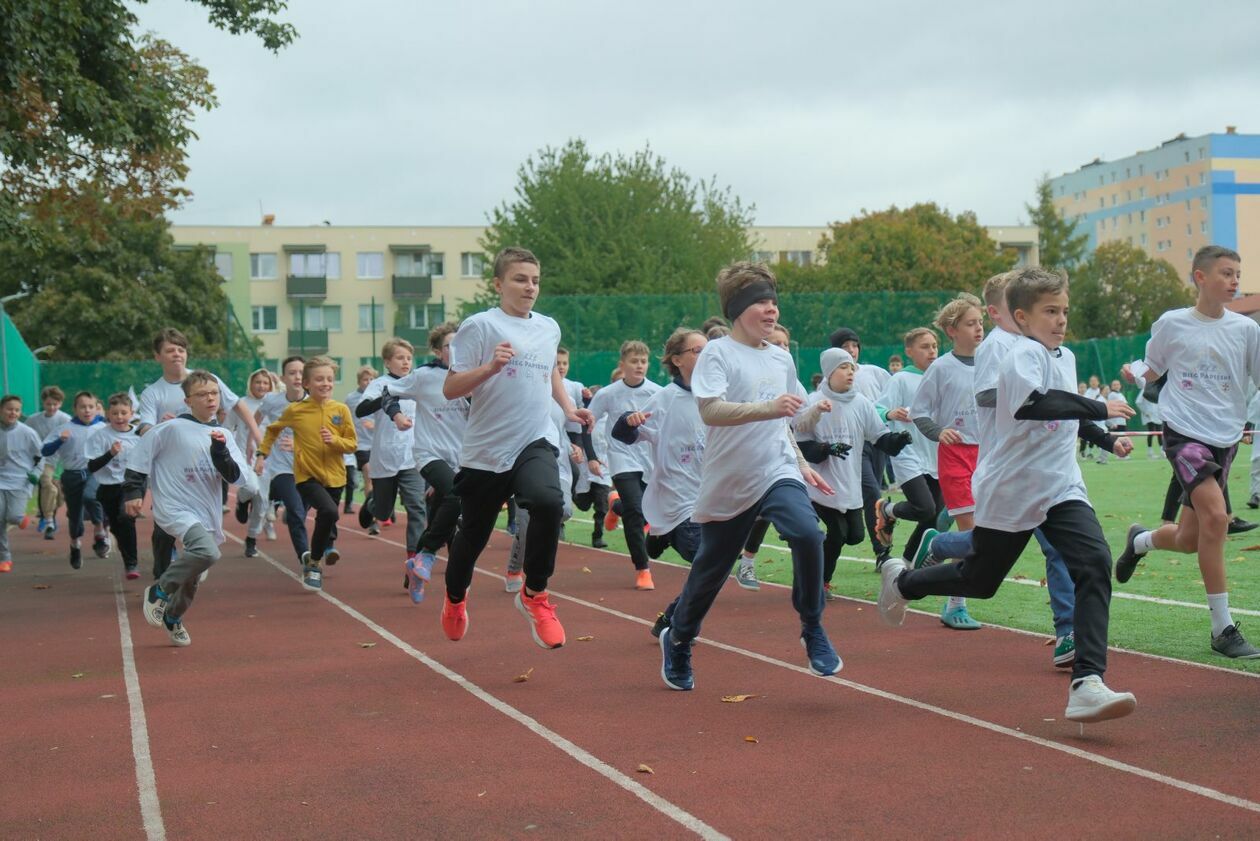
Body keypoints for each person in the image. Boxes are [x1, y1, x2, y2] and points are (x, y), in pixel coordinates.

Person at [878, 267, 1137, 723]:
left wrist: (1103, 437)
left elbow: (1067, 413)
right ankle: (903, 581)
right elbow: (1033, 404)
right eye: (1050, 311)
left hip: (1060, 485)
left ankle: (1087, 682)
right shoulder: (1016, 355)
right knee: (981, 581)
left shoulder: (1066, 356)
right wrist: (1098, 405)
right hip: (1011, 485)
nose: (1060, 320)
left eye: (1064, 311)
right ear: (1021, 316)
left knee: (1094, 563)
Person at [660, 261, 839, 691]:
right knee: (710, 572)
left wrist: (799, 462)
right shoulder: (718, 353)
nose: (771, 310)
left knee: (807, 533)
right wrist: (768, 409)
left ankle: (812, 625)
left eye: (774, 302)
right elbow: (710, 410)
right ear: (739, 309)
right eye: (761, 302)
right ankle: (679, 637)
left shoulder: (780, 358)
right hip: (729, 481)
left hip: (775, 469)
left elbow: (785, 420)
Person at [914, 271, 1081, 667]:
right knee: (979, 546)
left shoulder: (1048, 350)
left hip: (1046, 469)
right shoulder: (997, 348)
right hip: (995, 466)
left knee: (1057, 549)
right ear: (1005, 311)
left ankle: (1068, 632)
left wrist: (1100, 432)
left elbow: (1064, 402)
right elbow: (993, 397)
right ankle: (939, 551)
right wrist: (942, 432)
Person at [440, 247, 592, 649]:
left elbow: (549, 376)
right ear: (498, 284)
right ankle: (455, 599)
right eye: (520, 279)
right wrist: (490, 367)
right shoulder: (480, 327)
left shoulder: (548, 328)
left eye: (535, 280)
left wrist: (568, 408)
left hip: (534, 438)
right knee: (472, 537)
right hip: (487, 451)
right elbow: (451, 387)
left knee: (548, 502)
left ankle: (535, 594)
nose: (530, 287)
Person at [1115, 245, 1260, 659]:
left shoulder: (1247, 330)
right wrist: (1134, 372)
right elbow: (1153, 367)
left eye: (1238, 273)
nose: (1235, 281)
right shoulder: (1173, 323)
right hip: (1183, 431)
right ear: (1200, 277)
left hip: (1226, 435)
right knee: (1217, 517)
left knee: (1189, 537)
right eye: (1226, 273)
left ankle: (1139, 542)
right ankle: (1222, 629)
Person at [128, 370, 257, 646]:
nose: (210, 398)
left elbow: (236, 477)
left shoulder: (223, 433)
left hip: (205, 511)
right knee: (207, 553)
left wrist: (220, 453)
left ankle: (173, 617)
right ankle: (159, 591)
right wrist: (132, 493)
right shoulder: (169, 429)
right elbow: (139, 458)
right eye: (202, 394)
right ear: (188, 401)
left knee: (194, 575)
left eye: (214, 393)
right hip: (174, 507)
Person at [136, 328, 262, 578]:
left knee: (211, 513)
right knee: (165, 528)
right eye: (170, 350)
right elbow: (144, 429)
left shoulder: (205, 381)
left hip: (209, 459)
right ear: (157, 356)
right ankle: (162, 578)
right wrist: (162, 425)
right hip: (171, 468)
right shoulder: (153, 392)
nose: (177, 355)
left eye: (180, 349)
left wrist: (257, 434)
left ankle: (192, 563)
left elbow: (237, 403)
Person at [611, 328, 709, 633]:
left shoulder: (719, 395)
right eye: (698, 351)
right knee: (707, 563)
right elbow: (622, 434)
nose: (707, 356)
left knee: (712, 569)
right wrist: (628, 421)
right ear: (677, 359)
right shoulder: (664, 399)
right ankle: (679, 628)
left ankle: (658, 538)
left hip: (713, 498)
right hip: (678, 499)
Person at [794, 349, 910, 601]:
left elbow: (879, 437)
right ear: (829, 372)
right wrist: (827, 448)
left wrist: (898, 440)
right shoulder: (815, 401)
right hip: (819, 486)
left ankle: (811, 553)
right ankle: (819, 584)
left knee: (855, 536)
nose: (850, 372)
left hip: (849, 486)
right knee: (837, 534)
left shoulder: (861, 403)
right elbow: (801, 445)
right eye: (843, 367)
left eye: (852, 368)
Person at [374, 323, 469, 603]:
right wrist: (397, 416)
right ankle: (426, 555)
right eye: (451, 345)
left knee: (449, 515)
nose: (458, 349)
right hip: (429, 454)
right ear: (439, 352)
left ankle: (417, 568)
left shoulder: (474, 377)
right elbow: (388, 392)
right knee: (456, 496)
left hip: (463, 458)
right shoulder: (424, 375)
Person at [907, 294, 985, 630]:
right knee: (974, 536)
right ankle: (956, 605)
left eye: (981, 321)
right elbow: (918, 414)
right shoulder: (941, 368)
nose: (979, 328)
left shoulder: (992, 362)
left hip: (990, 455)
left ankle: (936, 543)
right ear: (952, 330)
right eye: (971, 323)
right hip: (955, 456)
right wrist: (940, 432)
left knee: (988, 534)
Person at [256, 356, 356, 592]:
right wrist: (262, 454)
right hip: (306, 476)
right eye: (319, 379)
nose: (326, 384)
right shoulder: (296, 410)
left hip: (335, 477)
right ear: (307, 384)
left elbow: (351, 444)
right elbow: (272, 430)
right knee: (329, 511)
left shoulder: (340, 410)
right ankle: (313, 565)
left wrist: (335, 441)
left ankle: (315, 556)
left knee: (329, 517)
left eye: (330, 379)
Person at [588, 340, 663, 589]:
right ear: (622, 365)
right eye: (634, 361)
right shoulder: (608, 393)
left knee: (646, 512)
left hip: (649, 461)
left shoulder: (657, 392)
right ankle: (643, 569)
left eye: (643, 361)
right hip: (621, 458)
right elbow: (587, 423)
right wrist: (590, 456)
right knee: (635, 511)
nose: (639, 365)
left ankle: (614, 505)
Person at [873, 328, 943, 569]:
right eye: (925, 346)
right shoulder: (901, 379)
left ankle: (905, 566)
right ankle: (888, 509)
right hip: (909, 455)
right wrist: (890, 412)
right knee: (925, 508)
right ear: (910, 351)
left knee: (934, 519)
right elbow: (876, 410)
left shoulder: (943, 375)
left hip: (939, 455)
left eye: (934, 345)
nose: (931, 351)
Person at [356, 339, 428, 560]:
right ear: (387, 362)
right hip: (385, 456)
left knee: (417, 507)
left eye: (408, 358)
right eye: (400, 357)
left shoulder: (418, 382)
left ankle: (413, 559)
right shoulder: (379, 384)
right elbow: (361, 410)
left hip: (412, 457)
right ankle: (372, 504)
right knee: (383, 512)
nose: (406, 362)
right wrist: (385, 399)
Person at [830, 327, 893, 564]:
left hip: (878, 442)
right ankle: (882, 551)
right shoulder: (833, 381)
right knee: (873, 494)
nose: (851, 351)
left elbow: (892, 397)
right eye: (845, 347)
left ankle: (881, 548)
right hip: (853, 446)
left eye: (854, 346)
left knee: (873, 494)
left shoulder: (875, 373)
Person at [243, 357, 310, 563]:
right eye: (292, 373)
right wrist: (252, 448)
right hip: (282, 466)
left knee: (300, 512)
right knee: (296, 512)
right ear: (283, 378)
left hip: (310, 467)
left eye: (301, 372)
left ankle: (290, 515)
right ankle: (306, 559)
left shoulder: (315, 402)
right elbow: (255, 421)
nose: (297, 377)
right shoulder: (272, 401)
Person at [40, 391, 107, 569]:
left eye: (90, 407)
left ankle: (100, 532)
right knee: (75, 513)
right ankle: (75, 545)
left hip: (94, 472)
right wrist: (59, 441)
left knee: (91, 497)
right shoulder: (65, 428)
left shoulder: (103, 427)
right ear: (75, 409)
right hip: (72, 475)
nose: (87, 410)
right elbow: (45, 451)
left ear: (96, 408)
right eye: (82, 407)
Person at [86, 393, 143, 579]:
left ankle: (131, 563)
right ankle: (128, 556)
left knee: (126, 518)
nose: (119, 417)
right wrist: (110, 453)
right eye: (115, 413)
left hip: (132, 485)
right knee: (118, 527)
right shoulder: (100, 436)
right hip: (108, 488)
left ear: (132, 413)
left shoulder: (139, 435)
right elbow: (92, 466)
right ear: (108, 414)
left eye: (124, 413)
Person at [0, 395, 42, 572]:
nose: (13, 413)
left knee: (12, 517)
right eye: (10, 409)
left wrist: (36, 473)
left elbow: (40, 457)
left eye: (17, 410)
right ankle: (4, 558)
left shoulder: (28, 433)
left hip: (20, 481)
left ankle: (20, 518)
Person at [27, 385, 69, 539]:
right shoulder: (33, 420)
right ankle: (49, 520)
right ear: (43, 403)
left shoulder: (65, 419)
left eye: (55, 404)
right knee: (46, 484)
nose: (52, 407)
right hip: (42, 461)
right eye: (48, 404)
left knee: (58, 495)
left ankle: (47, 515)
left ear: (60, 404)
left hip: (60, 461)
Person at [345, 365, 378, 530]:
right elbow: (346, 419)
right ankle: (372, 519)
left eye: (371, 379)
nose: (369, 382)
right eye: (365, 379)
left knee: (378, 481)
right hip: (361, 445)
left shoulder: (378, 395)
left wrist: (375, 425)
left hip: (378, 444)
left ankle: (374, 505)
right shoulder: (351, 398)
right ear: (359, 381)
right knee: (368, 474)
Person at [1135, 376, 1162, 460]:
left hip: (1157, 416)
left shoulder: (1158, 389)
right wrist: (1146, 412)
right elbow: (1138, 402)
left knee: (1159, 433)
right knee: (1151, 433)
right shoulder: (1144, 390)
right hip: (1149, 417)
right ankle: (1150, 452)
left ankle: (1162, 451)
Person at [1105, 381, 1130, 461]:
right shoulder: (1112, 395)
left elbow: (1125, 404)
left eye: (1118, 384)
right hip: (1116, 420)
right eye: (1114, 385)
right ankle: (1119, 454)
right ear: (1111, 386)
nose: (1116, 386)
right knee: (1118, 438)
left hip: (1122, 420)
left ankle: (1122, 453)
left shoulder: (1120, 394)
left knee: (1123, 437)